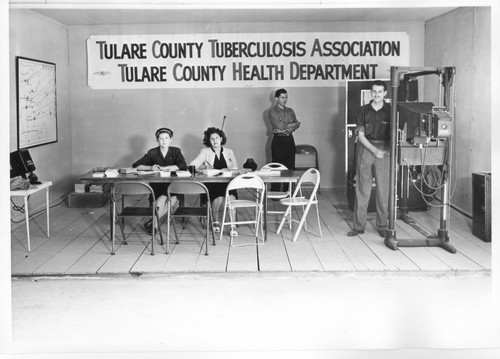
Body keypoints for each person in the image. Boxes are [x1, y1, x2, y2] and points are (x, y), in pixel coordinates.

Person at [348, 80, 391, 239]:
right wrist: (374, 150)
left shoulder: (391, 111)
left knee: (383, 190)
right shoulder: (362, 110)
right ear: (371, 92)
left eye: (380, 91)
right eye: (374, 91)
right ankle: (358, 226)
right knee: (362, 189)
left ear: (385, 93)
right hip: (366, 149)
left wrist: (385, 151)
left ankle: (382, 225)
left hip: (385, 150)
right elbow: (360, 136)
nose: (377, 94)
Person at [132, 127, 187, 232]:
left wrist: (166, 168)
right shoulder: (152, 152)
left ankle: (154, 223)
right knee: (162, 198)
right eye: (161, 138)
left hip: (173, 185)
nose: (164, 141)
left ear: (171, 139)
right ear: (157, 140)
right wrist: (150, 167)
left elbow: (183, 165)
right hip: (157, 185)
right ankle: (155, 224)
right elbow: (136, 165)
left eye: (166, 138)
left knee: (170, 199)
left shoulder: (176, 151)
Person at [189, 127, 238, 236]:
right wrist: (204, 167)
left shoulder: (229, 152)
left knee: (231, 198)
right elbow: (192, 165)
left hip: (228, 182)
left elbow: (235, 168)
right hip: (212, 183)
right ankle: (215, 221)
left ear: (221, 139)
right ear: (208, 141)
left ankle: (232, 225)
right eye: (212, 139)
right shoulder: (205, 151)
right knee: (219, 198)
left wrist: (229, 170)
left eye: (217, 138)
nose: (215, 141)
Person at [268, 88, 301, 191]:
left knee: (290, 165)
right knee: (277, 166)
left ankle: (289, 191)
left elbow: (297, 124)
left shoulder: (290, 110)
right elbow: (280, 126)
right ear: (276, 98)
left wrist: (287, 126)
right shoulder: (272, 111)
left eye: (286, 97)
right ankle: (276, 191)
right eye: (282, 97)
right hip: (278, 140)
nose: (285, 99)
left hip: (289, 140)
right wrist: (290, 125)